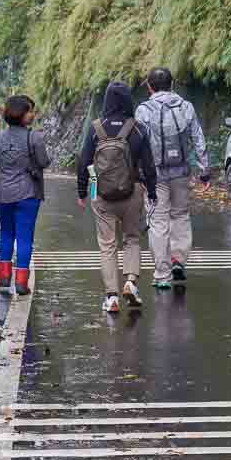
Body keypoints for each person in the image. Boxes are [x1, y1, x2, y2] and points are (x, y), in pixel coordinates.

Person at [77, 81, 158, 314]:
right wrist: (151, 192)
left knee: (107, 245)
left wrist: (82, 192)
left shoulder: (95, 128)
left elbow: (83, 162)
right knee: (132, 238)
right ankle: (131, 282)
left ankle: (111, 296)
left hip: (101, 194)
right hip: (132, 192)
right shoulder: (138, 128)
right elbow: (149, 166)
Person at [137, 67, 207, 290]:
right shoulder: (186, 107)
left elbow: (138, 144)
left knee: (158, 222)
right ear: (172, 84)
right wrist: (204, 170)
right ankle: (178, 260)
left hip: (154, 175)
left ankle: (162, 274)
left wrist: (137, 175)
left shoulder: (143, 110)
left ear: (150, 86)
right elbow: (198, 138)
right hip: (181, 172)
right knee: (181, 216)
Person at [0, 94, 50, 296]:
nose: (33, 114)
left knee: (6, 233)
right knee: (24, 238)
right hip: (27, 193)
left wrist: (8, 166)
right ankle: (21, 282)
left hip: (3, 192)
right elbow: (44, 162)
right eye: (30, 110)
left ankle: (4, 278)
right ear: (22, 115)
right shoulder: (34, 137)